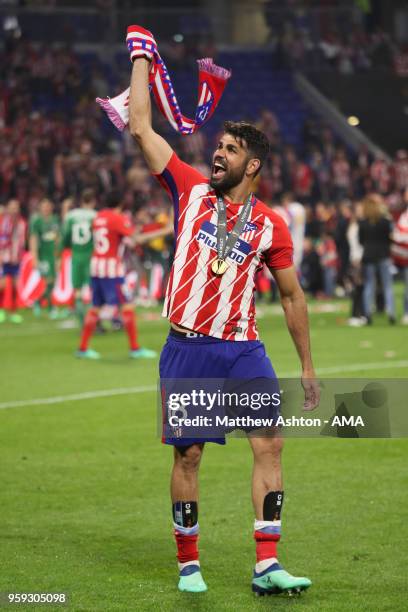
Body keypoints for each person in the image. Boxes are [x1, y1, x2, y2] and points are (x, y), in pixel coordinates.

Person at [127, 28, 320, 597]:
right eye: (219, 146)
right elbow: (141, 125)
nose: (218, 153)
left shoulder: (272, 225)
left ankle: (267, 563)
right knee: (188, 456)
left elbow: (292, 297)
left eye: (231, 150)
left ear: (252, 166)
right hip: (188, 348)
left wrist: (307, 367)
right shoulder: (186, 189)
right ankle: (189, 563)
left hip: (243, 350)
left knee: (271, 444)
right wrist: (141, 55)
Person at [76, 189, 156, 360]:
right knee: (127, 306)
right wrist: (165, 231)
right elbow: (137, 239)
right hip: (112, 270)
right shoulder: (118, 218)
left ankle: (82, 348)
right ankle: (135, 348)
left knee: (95, 307)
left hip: (96, 266)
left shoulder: (98, 217)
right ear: (121, 204)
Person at [358, 194, 396, 325]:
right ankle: (391, 313)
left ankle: (368, 314)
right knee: (387, 285)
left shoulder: (363, 223)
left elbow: (361, 241)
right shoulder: (385, 221)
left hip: (368, 256)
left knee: (369, 285)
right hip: (384, 255)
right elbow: (390, 239)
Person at [62, 189, 97, 325]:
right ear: (93, 201)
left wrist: (66, 247)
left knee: (77, 290)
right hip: (90, 256)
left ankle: (82, 321)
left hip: (76, 256)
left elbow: (65, 236)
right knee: (91, 289)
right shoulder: (95, 215)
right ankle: (93, 321)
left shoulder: (71, 216)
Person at [29, 198, 60, 319]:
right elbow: (33, 238)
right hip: (43, 255)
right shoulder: (36, 221)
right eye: (44, 206)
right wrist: (34, 257)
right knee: (49, 281)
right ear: (40, 208)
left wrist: (59, 257)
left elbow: (57, 238)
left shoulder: (55, 219)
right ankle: (51, 308)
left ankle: (37, 302)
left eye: (48, 206)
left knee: (52, 283)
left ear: (51, 207)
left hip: (53, 255)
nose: (46, 208)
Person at [0, 199, 27, 324]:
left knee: (16, 286)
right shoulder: (3, 222)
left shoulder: (22, 223)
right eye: (12, 207)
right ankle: (1, 311)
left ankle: (13, 312)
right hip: (4, 258)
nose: (14, 210)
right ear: (8, 208)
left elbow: (22, 241)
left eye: (16, 207)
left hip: (16, 259)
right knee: (2, 286)